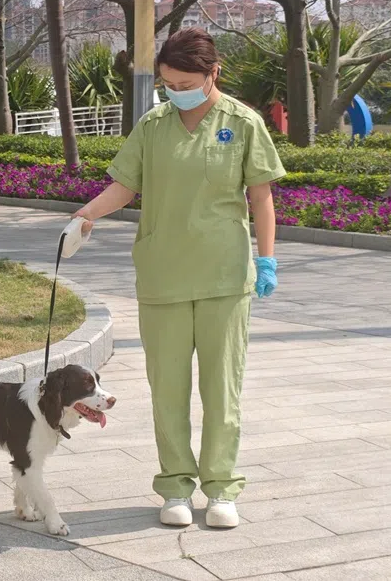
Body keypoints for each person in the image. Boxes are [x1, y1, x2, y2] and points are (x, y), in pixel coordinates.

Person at [73, 27, 285, 529]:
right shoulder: (153, 124)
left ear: (214, 74)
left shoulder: (244, 123)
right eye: (168, 82)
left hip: (226, 278)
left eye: (186, 81)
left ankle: (221, 489)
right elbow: (125, 186)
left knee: (221, 390)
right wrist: (85, 216)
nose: (176, 90)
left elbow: (261, 198)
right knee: (167, 391)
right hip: (163, 277)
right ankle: (174, 489)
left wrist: (267, 259)